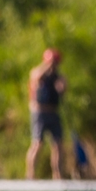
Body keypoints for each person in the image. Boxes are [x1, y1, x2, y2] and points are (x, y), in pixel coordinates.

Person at [26, 48, 67, 180]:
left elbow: (63, 90)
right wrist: (48, 65)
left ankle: (57, 175)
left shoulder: (58, 77)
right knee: (37, 143)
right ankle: (30, 175)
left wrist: (62, 87)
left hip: (54, 112)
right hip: (39, 113)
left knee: (58, 144)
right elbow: (36, 77)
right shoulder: (37, 72)